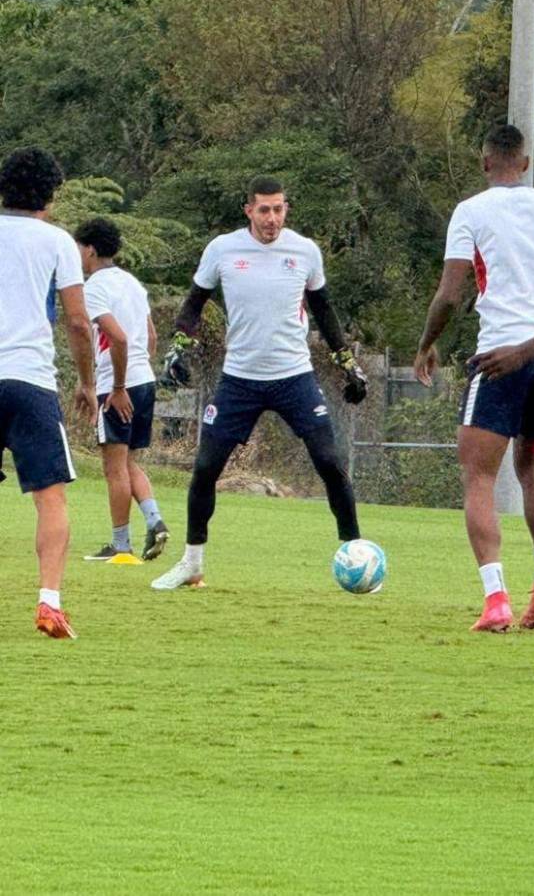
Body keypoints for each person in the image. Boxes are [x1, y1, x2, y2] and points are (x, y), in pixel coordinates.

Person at [151, 176, 368, 590]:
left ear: (287, 209)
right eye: (264, 209)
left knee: (330, 461)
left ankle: (355, 554)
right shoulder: (222, 249)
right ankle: (192, 563)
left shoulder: (304, 251)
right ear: (248, 210)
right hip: (240, 380)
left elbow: (324, 310)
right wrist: (178, 346)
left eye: (279, 208)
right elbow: (194, 303)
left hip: (294, 377)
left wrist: (346, 362)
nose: (272, 218)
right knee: (205, 469)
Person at [413, 124, 534, 632]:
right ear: (524, 164)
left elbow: (450, 294)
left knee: (478, 477)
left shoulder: (472, 211)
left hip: (500, 355)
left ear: (485, 164)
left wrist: (426, 344)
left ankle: (496, 599)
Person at [0, 146, 98, 638]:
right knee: (51, 497)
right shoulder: (57, 241)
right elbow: (79, 322)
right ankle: (49, 603)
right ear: (51, 195)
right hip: (29, 381)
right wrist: (86, 380)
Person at [75, 217, 170, 562]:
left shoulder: (95, 287)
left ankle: (120, 545)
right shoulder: (132, 283)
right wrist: (136, 373)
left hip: (119, 386)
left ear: (90, 249)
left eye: (79, 250)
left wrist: (116, 385)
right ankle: (155, 520)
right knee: (129, 461)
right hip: (144, 379)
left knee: (113, 467)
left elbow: (117, 336)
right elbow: (152, 337)